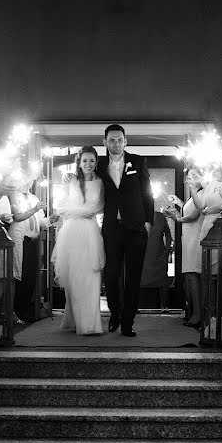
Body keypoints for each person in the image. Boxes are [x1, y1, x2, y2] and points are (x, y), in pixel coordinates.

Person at [97, 124, 153, 337]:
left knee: (133, 277)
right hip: (111, 228)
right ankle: (115, 314)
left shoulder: (138, 161)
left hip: (136, 228)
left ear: (125, 141)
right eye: (111, 140)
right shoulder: (100, 166)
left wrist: (148, 222)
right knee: (111, 276)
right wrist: (70, 178)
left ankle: (128, 322)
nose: (116, 143)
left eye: (119, 139)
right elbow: (85, 177)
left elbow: (147, 193)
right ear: (105, 142)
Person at [53, 146, 105, 335]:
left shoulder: (101, 182)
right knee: (75, 277)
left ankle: (91, 324)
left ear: (96, 162)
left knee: (91, 275)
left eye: (92, 161)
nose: (88, 164)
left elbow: (100, 207)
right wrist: (83, 212)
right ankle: (74, 319)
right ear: (79, 162)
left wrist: (84, 213)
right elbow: (61, 208)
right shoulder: (71, 180)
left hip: (91, 232)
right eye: (84, 161)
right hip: (72, 232)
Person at [9, 183, 48, 323]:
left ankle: (24, 310)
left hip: (33, 239)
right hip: (21, 238)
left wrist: (49, 220)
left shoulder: (34, 197)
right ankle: (16, 311)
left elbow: (40, 221)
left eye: (31, 179)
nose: (28, 182)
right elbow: (17, 217)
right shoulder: (13, 195)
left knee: (31, 277)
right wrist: (35, 208)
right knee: (20, 275)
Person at [164, 194, 202, 327]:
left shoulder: (202, 195)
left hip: (196, 237)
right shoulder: (192, 198)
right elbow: (190, 212)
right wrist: (180, 204)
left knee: (193, 276)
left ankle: (198, 313)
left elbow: (193, 216)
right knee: (188, 277)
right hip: (188, 237)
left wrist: (176, 218)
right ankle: (192, 312)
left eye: (192, 177)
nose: (189, 179)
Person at [140, 209, 173, 310]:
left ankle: (165, 305)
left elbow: (168, 233)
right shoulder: (137, 214)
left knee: (163, 280)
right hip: (143, 253)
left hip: (158, 254)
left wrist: (167, 250)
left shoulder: (160, 216)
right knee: (139, 278)